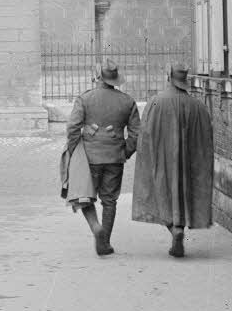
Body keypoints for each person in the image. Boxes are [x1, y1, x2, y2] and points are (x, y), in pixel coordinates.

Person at [131, 63, 215, 258]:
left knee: (161, 191)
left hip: (162, 158)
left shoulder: (155, 103)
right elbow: (206, 139)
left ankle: (173, 228)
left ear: (168, 77)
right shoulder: (198, 106)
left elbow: (145, 135)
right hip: (189, 161)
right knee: (184, 193)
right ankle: (180, 226)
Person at [63, 58, 140, 256]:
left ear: (98, 77)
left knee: (85, 195)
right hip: (115, 157)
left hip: (89, 158)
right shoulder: (128, 101)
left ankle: (96, 227)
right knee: (110, 201)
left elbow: (72, 127)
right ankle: (104, 241)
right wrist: (125, 152)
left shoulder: (85, 98)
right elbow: (136, 134)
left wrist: (74, 150)